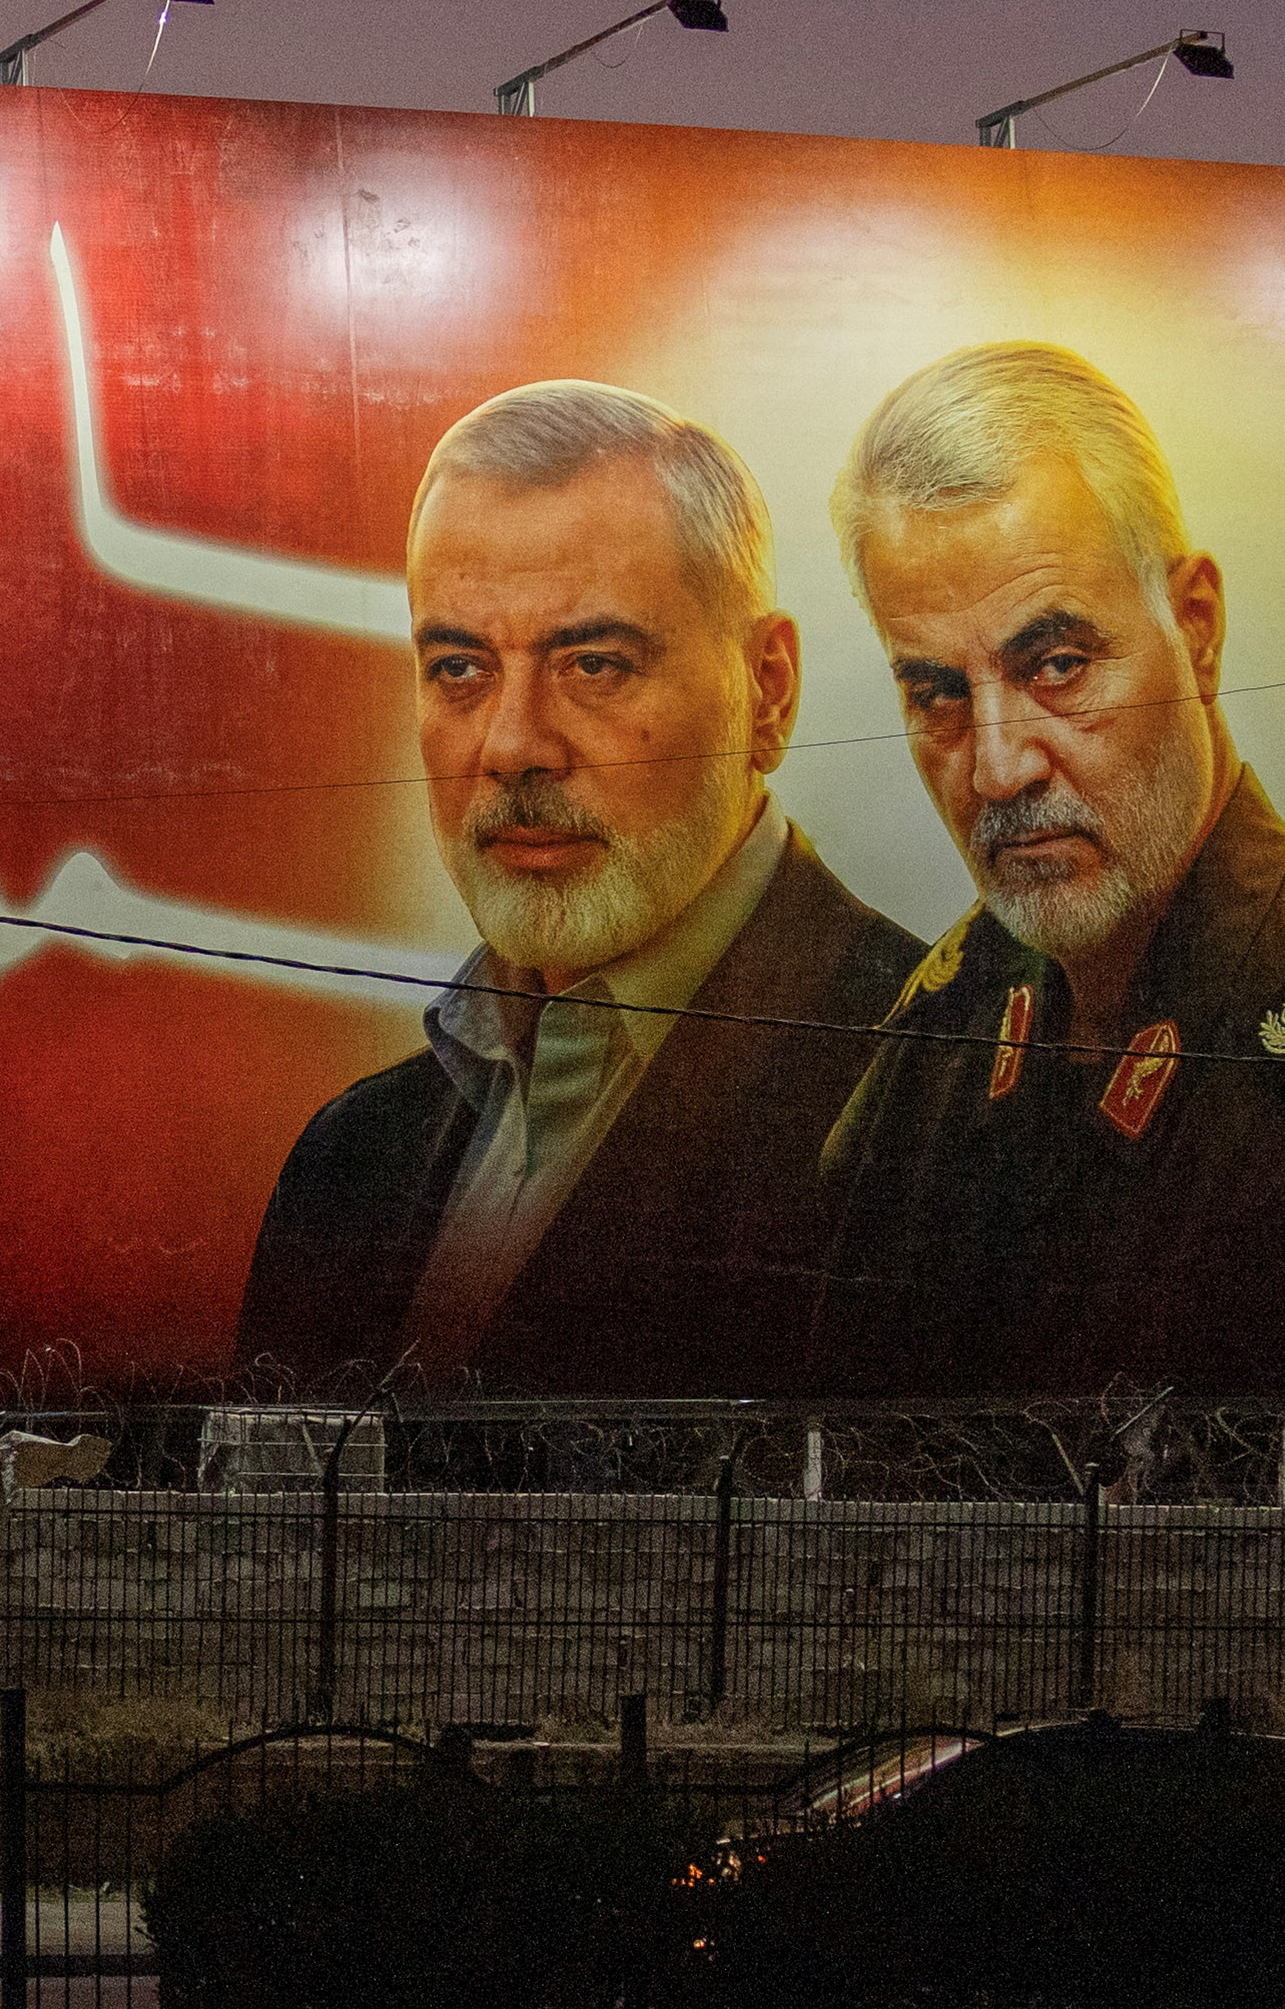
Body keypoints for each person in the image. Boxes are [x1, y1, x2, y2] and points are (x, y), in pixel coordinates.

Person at [801, 338, 1285, 1393]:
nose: (997, 764)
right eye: (935, 690)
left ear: (1194, 630)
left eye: (1057, 665)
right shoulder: (943, 1025)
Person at [234, 380, 922, 1395]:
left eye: (594, 664)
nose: (513, 746)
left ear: (767, 690)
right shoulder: (348, 1163)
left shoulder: (931, 1111)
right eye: (460, 669)